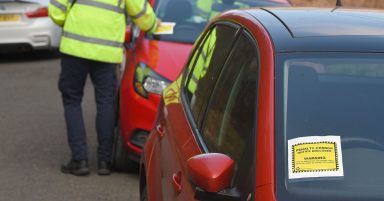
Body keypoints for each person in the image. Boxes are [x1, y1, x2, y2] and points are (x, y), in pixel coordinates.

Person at [48, 0, 160, 176]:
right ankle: (104, 161)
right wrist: (154, 25)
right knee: (106, 102)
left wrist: (71, 21)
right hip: (107, 52)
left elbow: (56, 11)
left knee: (72, 101)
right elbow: (142, 14)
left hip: (75, 47)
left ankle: (79, 160)